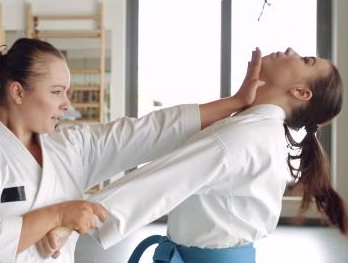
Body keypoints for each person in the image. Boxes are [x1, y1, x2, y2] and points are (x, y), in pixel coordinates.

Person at [0, 38, 263, 262]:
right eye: (57, 91)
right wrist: (58, 214)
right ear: (18, 92)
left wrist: (234, 103)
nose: (67, 103)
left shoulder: (71, 147)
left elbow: (150, 131)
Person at [37, 47, 347, 262]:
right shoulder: (261, 130)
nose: (292, 51)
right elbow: (164, 143)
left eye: (306, 60)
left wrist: (76, 219)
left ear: (301, 93)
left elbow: (163, 182)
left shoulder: (246, 135)